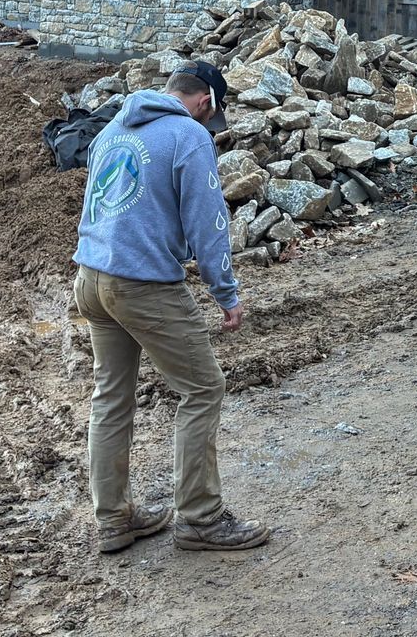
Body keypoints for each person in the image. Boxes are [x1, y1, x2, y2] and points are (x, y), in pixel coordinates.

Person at [73, 60, 270, 553]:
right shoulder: (188, 135)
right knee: (203, 388)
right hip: (142, 283)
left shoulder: (115, 124)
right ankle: (201, 517)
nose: (210, 124)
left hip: (92, 276)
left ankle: (114, 519)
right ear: (205, 101)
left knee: (111, 395)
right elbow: (208, 223)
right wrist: (225, 293)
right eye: (211, 115)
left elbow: (100, 199)